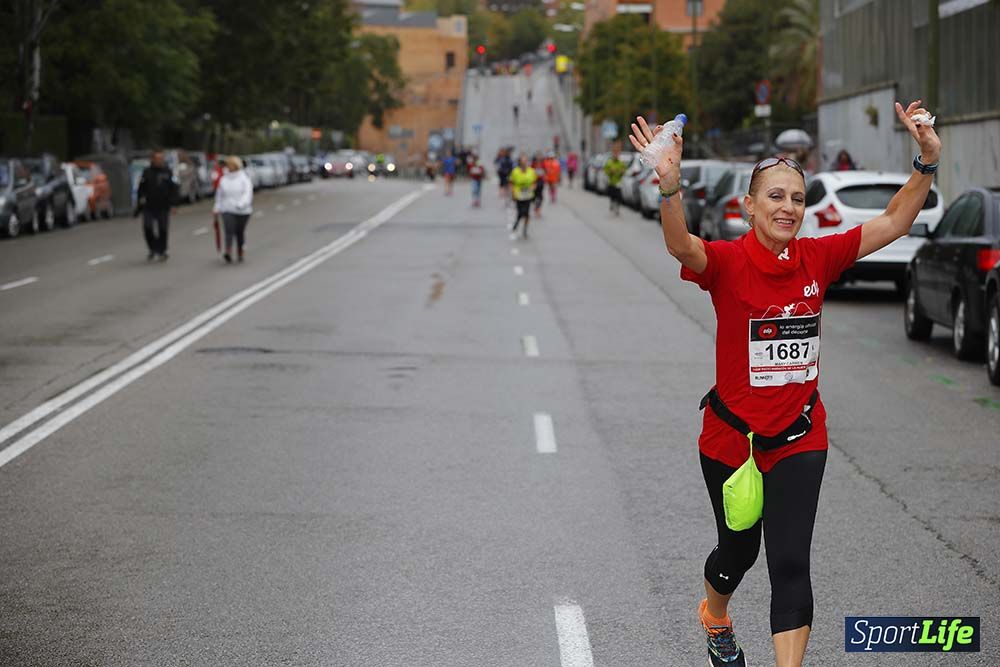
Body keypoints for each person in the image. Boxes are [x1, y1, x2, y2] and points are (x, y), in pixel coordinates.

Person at [627, 101, 940, 667]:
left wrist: (925, 162)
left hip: (800, 437)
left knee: (791, 561)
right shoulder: (725, 262)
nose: (788, 207)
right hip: (731, 441)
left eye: (797, 198)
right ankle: (716, 616)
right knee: (737, 551)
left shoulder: (817, 258)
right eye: (775, 196)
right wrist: (670, 189)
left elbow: (894, 221)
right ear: (748, 207)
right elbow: (681, 247)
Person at [135, 150, 178, 261]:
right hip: (149, 206)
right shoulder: (147, 172)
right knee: (147, 227)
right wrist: (139, 204)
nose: (160, 161)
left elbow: (174, 188)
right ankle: (153, 248)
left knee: (163, 229)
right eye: (157, 159)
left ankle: (162, 250)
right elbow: (141, 189)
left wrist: (173, 204)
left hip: (163, 206)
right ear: (152, 160)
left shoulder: (167, 172)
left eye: (161, 159)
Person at [213, 156, 254, 264]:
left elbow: (247, 193)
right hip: (227, 209)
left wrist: (242, 204)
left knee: (239, 232)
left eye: (231, 165)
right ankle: (228, 251)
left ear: (236, 166)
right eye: (227, 165)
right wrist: (217, 207)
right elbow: (219, 195)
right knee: (229, 230)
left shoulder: (244, 178)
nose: (228, 167)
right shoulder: (224, 179)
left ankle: (240, 250)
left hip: (243, 211)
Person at [509, 154, 537, 239]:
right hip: (518, 194)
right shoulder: (515, 171)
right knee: (520, 212)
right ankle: (517, 223)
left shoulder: (531, 171)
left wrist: (533, 187)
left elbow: (534, 182)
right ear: (520, 162)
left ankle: (525, 229)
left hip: (528, 195)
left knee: (527, 213)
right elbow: (511, 182)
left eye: (526, 161)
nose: (524, 163)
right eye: (523, 161)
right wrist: (513, 192)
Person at [603, 145, 627, 216]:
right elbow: (605, 170)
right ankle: (612, 204)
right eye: (615, 153)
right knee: (612, 196)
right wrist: (610, 172)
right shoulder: (609, 162)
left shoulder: (621, 162)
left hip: (618, 182)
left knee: (618, 196)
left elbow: (624, 169)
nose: (616, 155)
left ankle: (617, 208)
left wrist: (622, 172)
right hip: (611, 182)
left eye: (617, 153)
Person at [531, 152, 546, 217]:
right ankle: (536, 206)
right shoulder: (532, 165)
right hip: (533, 182)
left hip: (541, 182)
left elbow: (545, 172)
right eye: (537, 158)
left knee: (540, 196)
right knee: (533, 197)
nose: (539, 159)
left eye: (540, 158)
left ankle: (538, 209)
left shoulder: (543, 165)